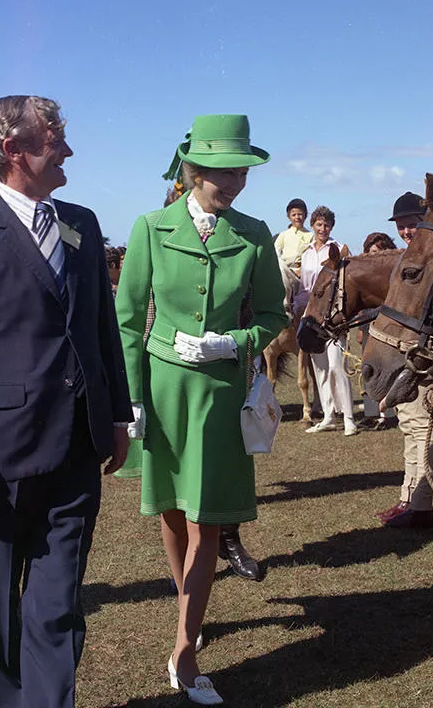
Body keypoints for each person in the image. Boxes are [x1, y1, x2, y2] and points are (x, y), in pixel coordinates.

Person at [0, 95, 131, 708]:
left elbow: (101, 326)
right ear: (14, 149)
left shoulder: (82, 224)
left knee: (58, 601)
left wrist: (118, 414)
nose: (68, 150)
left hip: (79, 445)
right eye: (55, 140)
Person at [115, 114, 286, 704]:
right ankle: (191, 608)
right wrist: (130, 396)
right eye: (224, 173)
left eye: (242, 173)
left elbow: (273, 315)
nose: (235, 183)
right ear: (193, 171)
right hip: (163, 390)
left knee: (205, 519)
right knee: (171, 511)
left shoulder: (255, 234)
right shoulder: (150, 227)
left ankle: (184, 651)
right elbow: (127, 319)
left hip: (217, 394)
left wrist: (232, 343)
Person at [376, 191, 433, 528]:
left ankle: (422, 505)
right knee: (409, 425)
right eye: (400, 227)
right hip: (402, 353)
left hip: (423, 355)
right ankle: (408, 498)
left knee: (422, 426)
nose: (405, 232)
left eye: (411, 224)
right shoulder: (407, 259)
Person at [296, 205, 357, 436]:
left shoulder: (339, 250)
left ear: (332, 227)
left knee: (336, 367)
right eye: (319, 225)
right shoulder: (306, 253)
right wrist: (297, 308)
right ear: (312, 226)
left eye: (327, 225)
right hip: (311, 316)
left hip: (333, 317)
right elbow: (304, 288)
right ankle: (328, 416)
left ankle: (349, 418)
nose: (323, 229)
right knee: (320, 368)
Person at [356, 233, 397, 431]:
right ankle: (371, 413)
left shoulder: (393, 273)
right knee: (368, 369)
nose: (374, 255)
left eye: (378, 251)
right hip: (367, 323)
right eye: (371, 252)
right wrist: (360, 328)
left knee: (387, 369)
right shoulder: (364, 275)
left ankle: (388, 414)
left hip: (387, 324)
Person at [274, 198, 313, 276]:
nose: (297, 217)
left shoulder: (310, 236)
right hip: (284, 271)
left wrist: (301, 270)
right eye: (294, 215)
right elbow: (275, 253)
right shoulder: (284, 235)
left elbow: (311, 257)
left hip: (302, 272)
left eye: (300, 214)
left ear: (305, 215)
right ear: (288, 216)